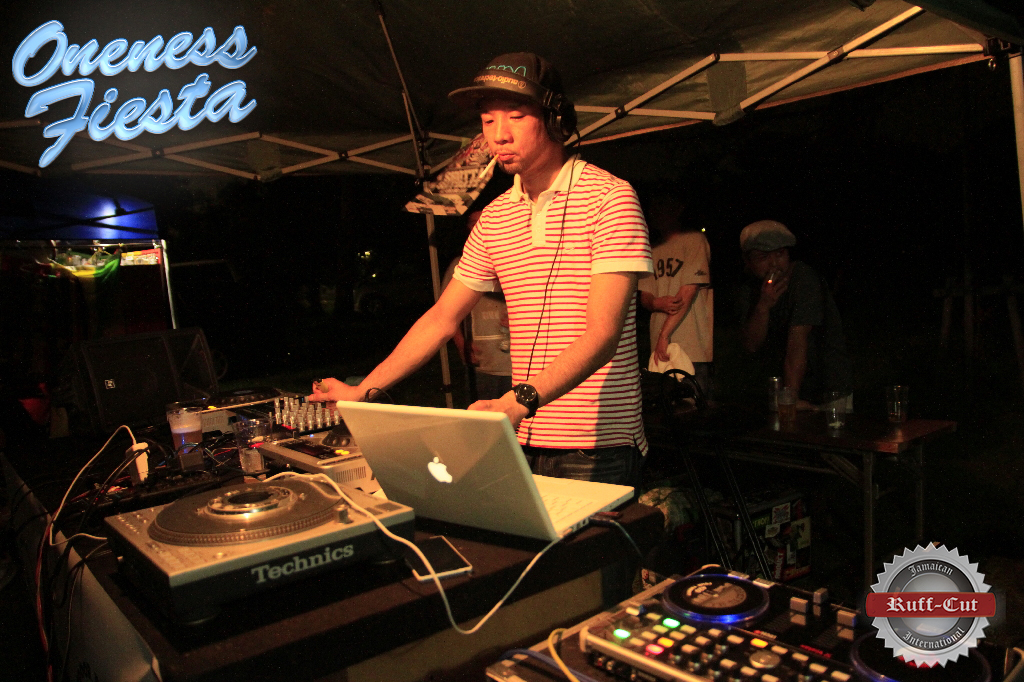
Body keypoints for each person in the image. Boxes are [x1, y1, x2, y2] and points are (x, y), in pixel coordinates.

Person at [310, 52, 653, 487]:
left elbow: (602, 333)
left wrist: (517, 401)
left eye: (516, 116)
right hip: (520, 435)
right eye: (488, 120)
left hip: (596, 444)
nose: (499, 135)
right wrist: (364, 392)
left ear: (556, 120)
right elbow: (441, 318)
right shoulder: (494, 217)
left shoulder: (610, 198)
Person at [738, 220, 851, 409]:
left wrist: (790, 398)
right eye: (764, 257)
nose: (774, 264)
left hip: (827, 391)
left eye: (780, 254)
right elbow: (751, 344)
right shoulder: (749, 287)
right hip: (781, 390)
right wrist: (763, 307)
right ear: (747, 261)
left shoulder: (803, 280)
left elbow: (798, 342)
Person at [638, 194, 713, 398]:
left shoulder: (694, 240)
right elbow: (645, 296)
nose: (657, 212)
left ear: (678, 209)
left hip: (691, 346)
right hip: (659, 350)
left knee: (693, 404)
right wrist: (656, 303)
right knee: (664, 404)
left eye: (664, 205)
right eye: (654, 207)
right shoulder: (651, 249)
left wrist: (664, 335)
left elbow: (688, 290)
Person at [441, 210, 513, 402]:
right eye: (473, 222)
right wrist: (461, 344)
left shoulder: (517, 261)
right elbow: (446, 314)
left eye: (482, 221)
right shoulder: (461, 266)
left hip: (522, 361)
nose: (478, 226)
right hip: (482, 362)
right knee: (484, 416)